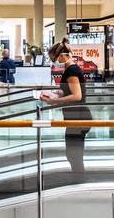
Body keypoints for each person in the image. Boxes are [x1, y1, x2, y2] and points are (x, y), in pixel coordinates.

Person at [40, 36, 92, 181]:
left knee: (73, 153)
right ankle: (78, 178)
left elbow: (76, 95)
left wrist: (55, 102)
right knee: (72, 152)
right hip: (75, 116)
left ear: (63, 55)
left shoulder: (72, 71)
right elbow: (68, 91)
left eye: (55, 59)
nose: (55, 62)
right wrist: (55, 93)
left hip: (78, 117)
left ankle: (79, 180)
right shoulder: (69, 69)